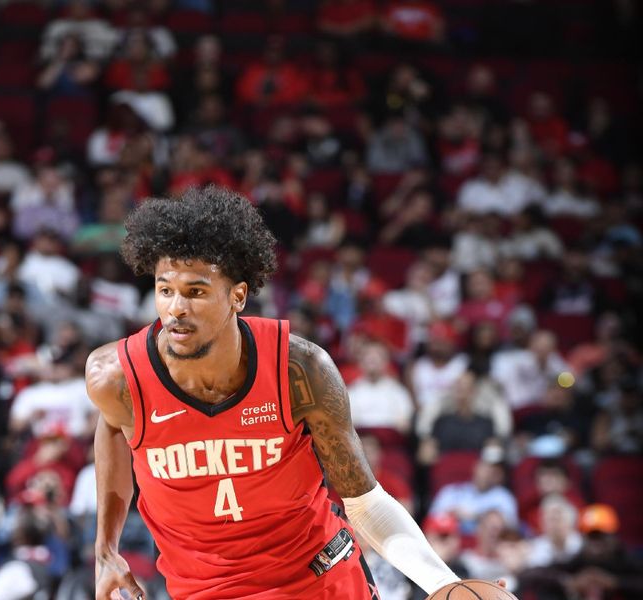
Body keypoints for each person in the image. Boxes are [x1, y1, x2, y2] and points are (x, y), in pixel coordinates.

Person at [86, 187, 461, 599]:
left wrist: (445, 584)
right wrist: (106, 551)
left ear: (238, 296)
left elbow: (365, 502)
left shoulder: (299, 369)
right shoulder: (117, 379)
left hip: (316, 576)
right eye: (165, 289)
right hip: (204, 588)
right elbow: (115, 429)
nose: (176, 308)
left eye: (195, 291)